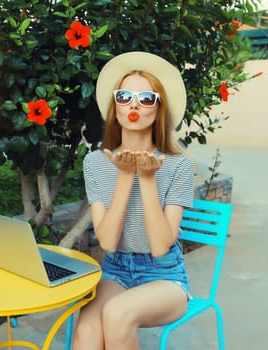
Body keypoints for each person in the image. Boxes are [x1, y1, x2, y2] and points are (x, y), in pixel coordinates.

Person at [72, 51, 194, 350]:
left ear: (158, 109)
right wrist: (126, 177)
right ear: (115, 107)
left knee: (117, 314)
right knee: (88, 329)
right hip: (116, 270)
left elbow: (160, 245)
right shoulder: (95, 163)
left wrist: (148, 179)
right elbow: (108, 242)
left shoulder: (179, 166)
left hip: (165, 276)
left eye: (147, 98)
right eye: (125, 96)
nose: (135, 104)